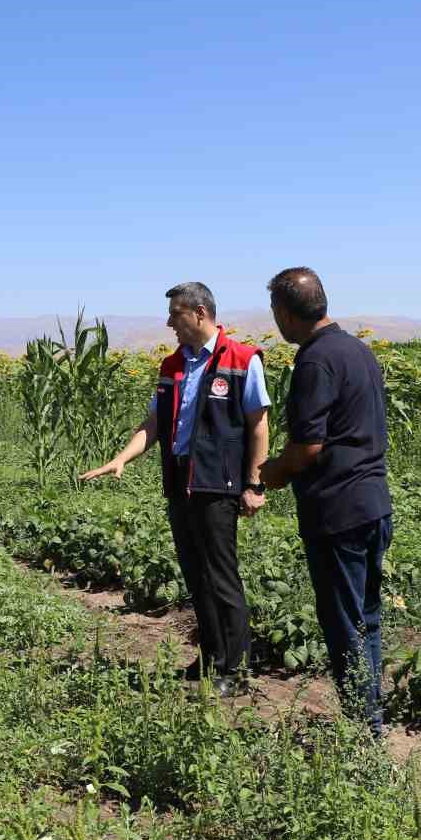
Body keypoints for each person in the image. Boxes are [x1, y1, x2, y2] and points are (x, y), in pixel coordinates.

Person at [82, 283, 270, 697]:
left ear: (199, 313)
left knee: (221, 576)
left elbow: (258, 424)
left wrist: (255, 483)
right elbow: (154, 424)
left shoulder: (241, 360)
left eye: (175, 314)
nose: (169, 323)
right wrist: (121, 457)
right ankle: (210, 656)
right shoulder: (172, 366)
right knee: (195, 573)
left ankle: (234, 669)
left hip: (217, 483)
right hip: (180, 481)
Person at [260, 267, 393, 735]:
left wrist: (272, 471)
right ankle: (371, 719)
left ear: (284, 313)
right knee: (367, 619)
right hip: (374, 504)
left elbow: (308, 447)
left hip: (338, 511)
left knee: (343, 626)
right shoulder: (357, 349)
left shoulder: (315, 361)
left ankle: (364, 732)